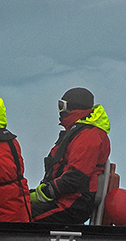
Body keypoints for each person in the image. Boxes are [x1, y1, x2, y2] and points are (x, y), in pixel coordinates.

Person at [29, 87, 112, 224]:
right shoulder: (77, 133)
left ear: (72, 107)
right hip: (63, 198)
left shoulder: (88, 136)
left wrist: (45, 192)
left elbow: (76, 177)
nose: (60, 111)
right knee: (15, 206)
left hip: (73, 204)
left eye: (62, 106)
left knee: (20, 214)